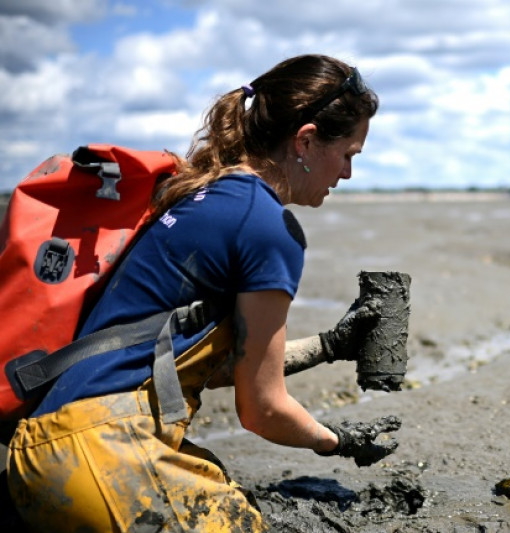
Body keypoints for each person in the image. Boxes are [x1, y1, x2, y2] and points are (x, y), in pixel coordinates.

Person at [5, 54, 402, 531]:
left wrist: (330, 346)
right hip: (100, 456)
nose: (348, 174)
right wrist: (337, 440)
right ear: (307, 140)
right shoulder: (268, 227)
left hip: (41, 455)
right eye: (349, 155)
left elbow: (208, 368)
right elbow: (263, 410)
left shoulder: (207, 192)